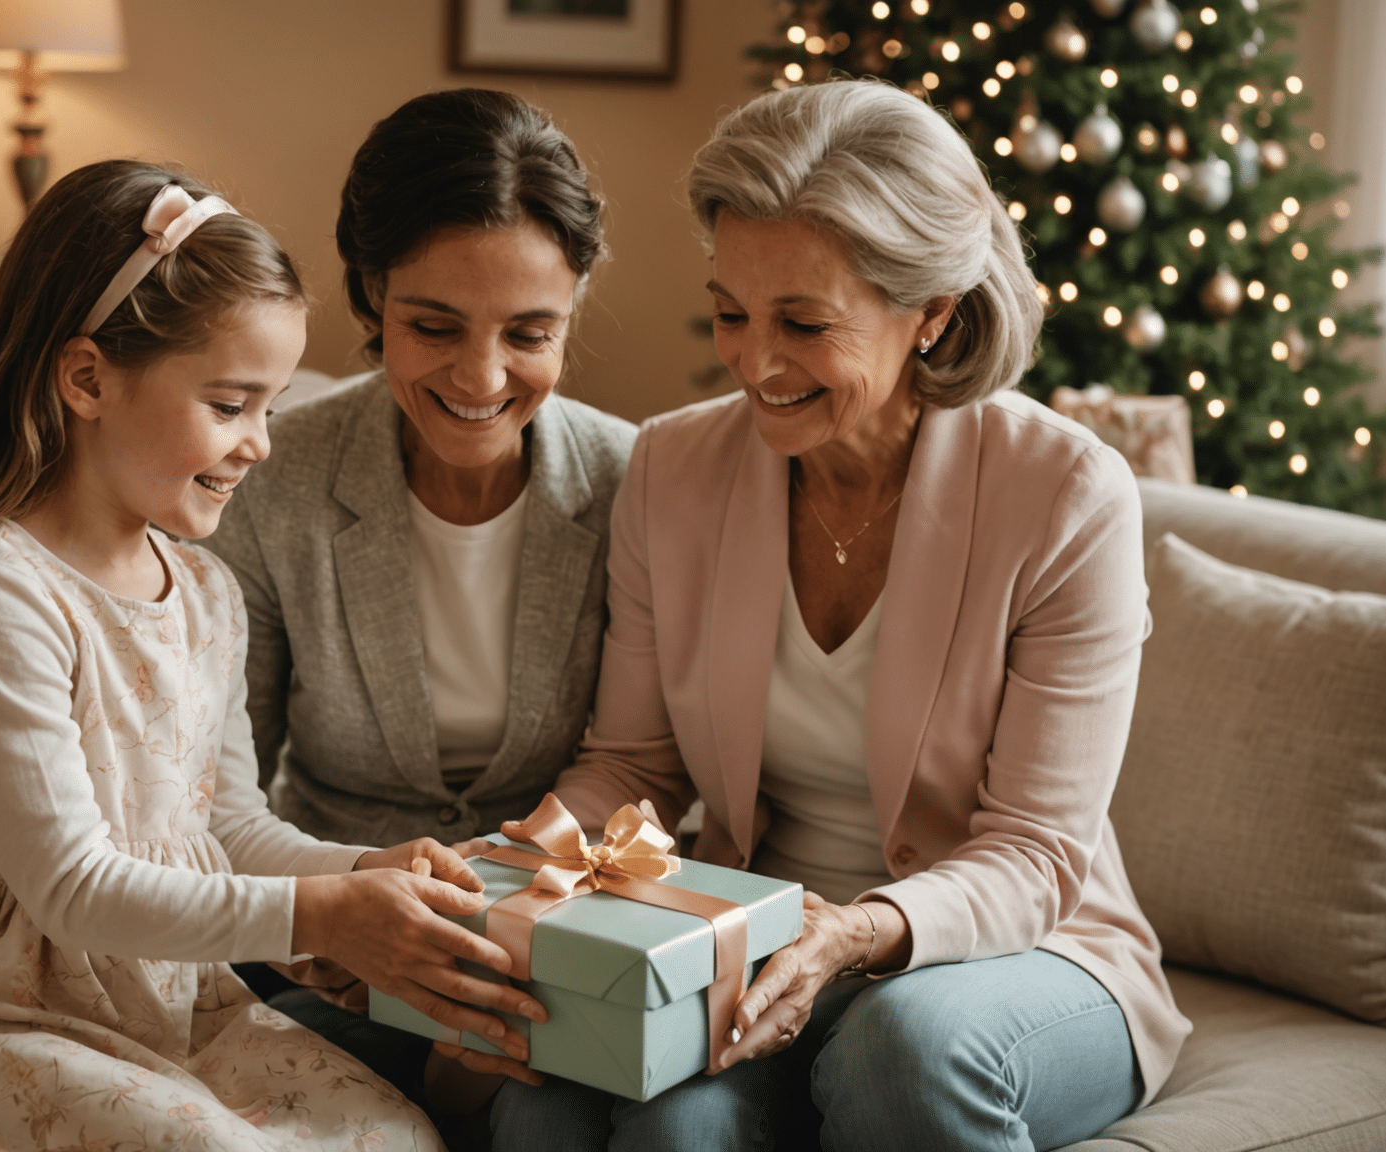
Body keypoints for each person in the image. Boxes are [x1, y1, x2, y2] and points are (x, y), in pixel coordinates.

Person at [0, 90, 630, 1112]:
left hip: (271, 946)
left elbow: (218, 809)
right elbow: (52, 747)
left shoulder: (632, 483)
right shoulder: (221, 515)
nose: (482, 372)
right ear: (375, 300)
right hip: (64, 987)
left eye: (531, 331)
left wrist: (372, 878)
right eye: (434, 324)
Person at [487, 80, 1191, 1151]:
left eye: (805, 324)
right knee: (604, 1116)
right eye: (730, 313)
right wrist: (514, 862)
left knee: (903, 1045)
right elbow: (634, 765)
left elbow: (1039, 852)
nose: (753, 364)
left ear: (933, 314)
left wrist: (859, 932)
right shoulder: (676, 466)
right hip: (766, 943)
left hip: (1022, 952)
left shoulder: (1064, 494)